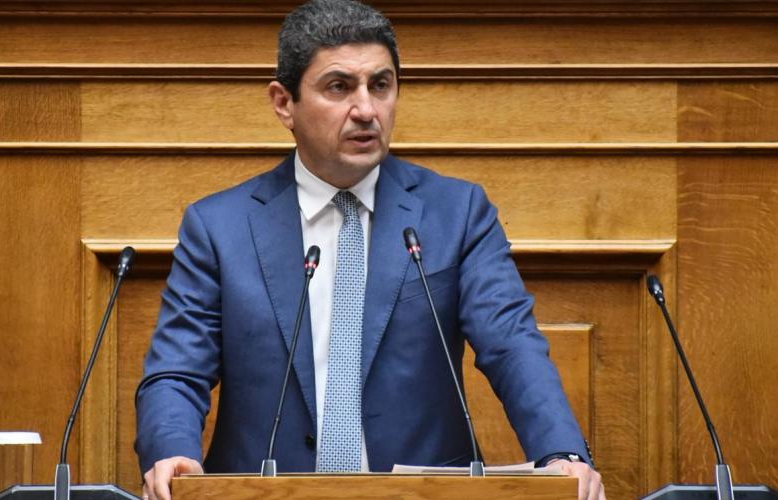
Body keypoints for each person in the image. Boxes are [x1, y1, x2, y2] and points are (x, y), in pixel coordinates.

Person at [135, 1, 605, 499]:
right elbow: (177, 371)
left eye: (380, 85)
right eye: (339, 87)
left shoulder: (456, 213)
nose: (366, 110)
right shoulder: (219, 227)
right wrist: (172, 452)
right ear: (284, 103)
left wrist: (561, 453)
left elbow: (511, 345)